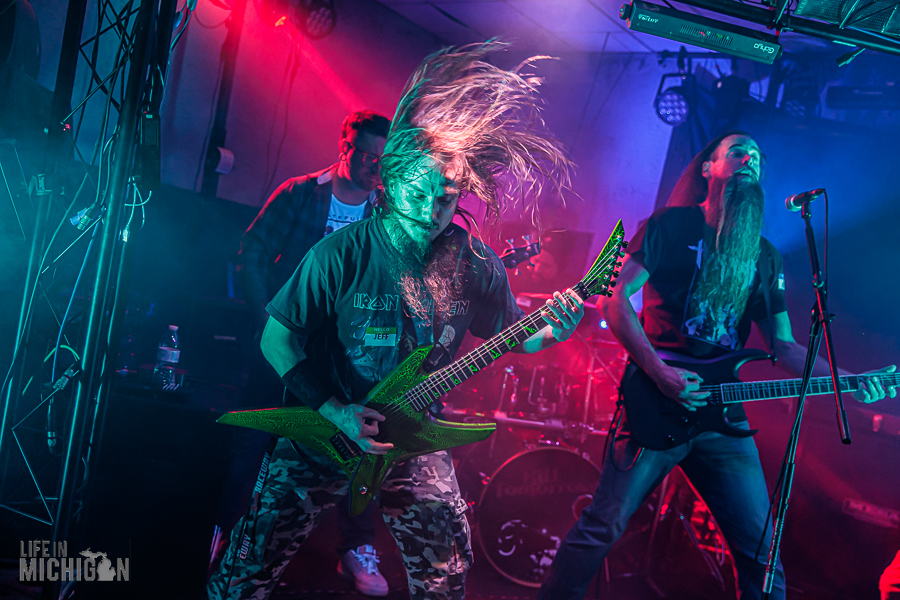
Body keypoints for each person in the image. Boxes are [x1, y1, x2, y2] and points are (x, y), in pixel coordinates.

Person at [208, 42, 578, 600]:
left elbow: (514, 338)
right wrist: (336, 411)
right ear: (391, 183)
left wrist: (553, 332)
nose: (431, 212)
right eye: (419, 194)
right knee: (248, 569)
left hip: (413, 431)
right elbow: (276, 338)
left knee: (446, 573)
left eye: (446, 198)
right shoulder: (340, 253)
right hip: (325, 427)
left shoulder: (477, 264)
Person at [538, 131, 896, 600]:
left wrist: (849, 381)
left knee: (763, 559)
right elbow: (614, 301)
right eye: (738, 152)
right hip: (657, 401)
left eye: (758, 157)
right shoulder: (669, 226)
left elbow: (785, 347)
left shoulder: (764, 256)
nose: (751, 160)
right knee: (602, 527)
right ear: (708, 168)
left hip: (722, 420)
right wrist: (661, 374)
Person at [218, 110, 392, 596]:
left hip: (344, 359)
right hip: (284, 347)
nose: (374, 167)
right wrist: (267, 324)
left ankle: (355, 549)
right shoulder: (300, 192)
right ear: (344, 146)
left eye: (382, 160)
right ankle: (230, 536)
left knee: (359, 444)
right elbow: (251, 252)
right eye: (366, 156)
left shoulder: (383, 212)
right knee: (255, 438)